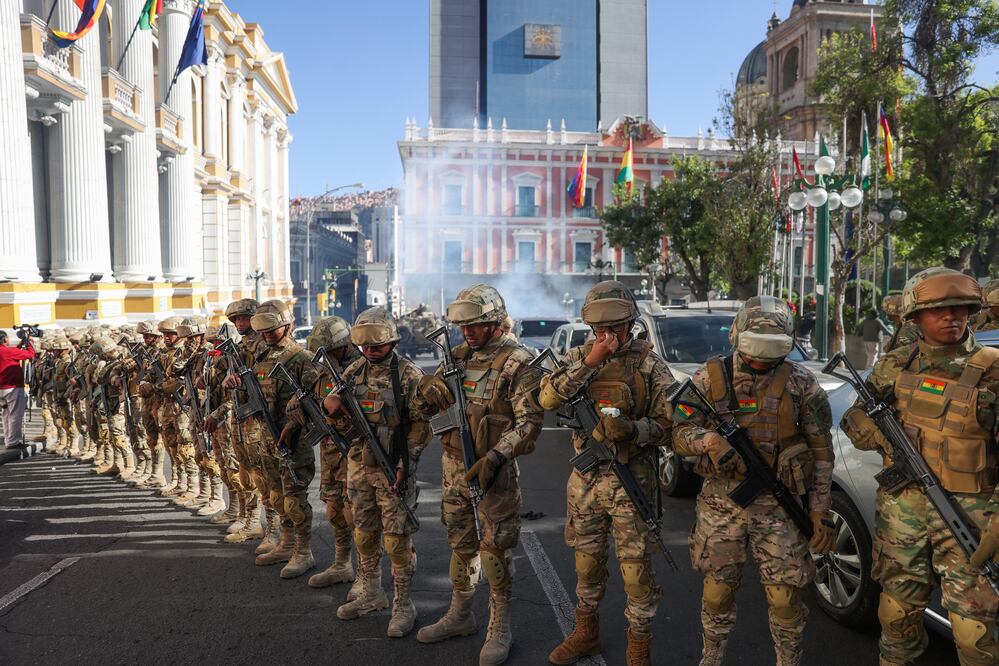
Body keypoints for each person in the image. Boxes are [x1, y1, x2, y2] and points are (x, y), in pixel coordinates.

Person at [841, 267, 999, 666]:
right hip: (902, 516)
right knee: (896, 617)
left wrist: (997, 526)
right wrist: (877, 434)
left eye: (960, 308)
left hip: (970, 523)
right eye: (938, 310)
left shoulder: (993, 370)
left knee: (975, 636)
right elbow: (854, 416)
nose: (951, 316)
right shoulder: (896, 364)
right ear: (914, 317)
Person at [672, 295, 836, 666]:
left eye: (770, 350)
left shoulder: (801, 382)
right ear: (737, 337)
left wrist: (819, 510)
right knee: (717, 594)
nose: (761, 360)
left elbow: (821, 452)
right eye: (755, 349)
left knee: (785, 598)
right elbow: (678, 434)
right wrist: (709, 441)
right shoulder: (708, 378)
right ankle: (711, 657)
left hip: (780, 508)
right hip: (721, 503)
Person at [539, 281, 677, 665]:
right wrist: (590, 362)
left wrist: (634, 430)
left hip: (633, 483)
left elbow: (672, 425)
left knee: (636, 572)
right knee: (587, 562)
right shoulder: (577, 358)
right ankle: (586, 633)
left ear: (630, 323)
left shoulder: (649, 365)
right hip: (586, 483)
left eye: (615, 327)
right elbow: (546, 398)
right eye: (600, 328)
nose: (608, 335)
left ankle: (639, 648)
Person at [413, 284, 544, 666]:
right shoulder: (456, 357)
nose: (466, 332)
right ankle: (461, 613)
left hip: (494, 472)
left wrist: (496, 456)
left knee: (495, 551)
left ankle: (499, 626)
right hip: (454, 468)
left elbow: (530, 423)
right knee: (461, 545)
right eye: (462, 326)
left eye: (474, 325)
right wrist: (426, 389)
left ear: (495, 321)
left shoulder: (518, 362)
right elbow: (423, 409)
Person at [321, 307, 430, 637]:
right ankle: (370, 593)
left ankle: (403, 604)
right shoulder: (354, 370)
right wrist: (331, 405)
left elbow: (421, 426)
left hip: (393, 468)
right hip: (359, 467)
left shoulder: (408, 375)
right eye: (365, 346)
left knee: (396, 541)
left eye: (377, 346)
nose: (370, 351)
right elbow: (339, 410)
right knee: (364, 533)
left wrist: (406, 463)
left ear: (392, 342)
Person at [238, 299, 318, 579]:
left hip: (292, 441)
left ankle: (303, 551)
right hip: (266, 439)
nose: (267, 335)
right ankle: (286, 543)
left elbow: (315, 402)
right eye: (263, 331)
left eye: (272, 330)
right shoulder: (262, 357)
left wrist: (294, 422)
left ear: (287, 326)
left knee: (294, 499)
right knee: (276, 495)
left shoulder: (301, 358)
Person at [298, 316, 361, 591]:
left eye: (330, 350)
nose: (324, 356)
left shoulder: (361, 370)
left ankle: (367, 575)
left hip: (358, 457)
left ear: (345, 345)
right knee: (335, 511)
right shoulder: (323, 372)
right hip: (330, 454)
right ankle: (342, 564)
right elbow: (303, 400)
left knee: (359, 517)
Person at [0, 330, 35, 448]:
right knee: (15, 415)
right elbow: (30, 354)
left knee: (6, 415)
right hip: (12, 388)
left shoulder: (6, 351)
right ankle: (13, 442)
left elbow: (14, 352)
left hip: (2, 389)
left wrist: (21, 344)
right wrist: (29, 342)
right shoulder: (8, 351)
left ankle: (9, 440)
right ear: (5, 339)